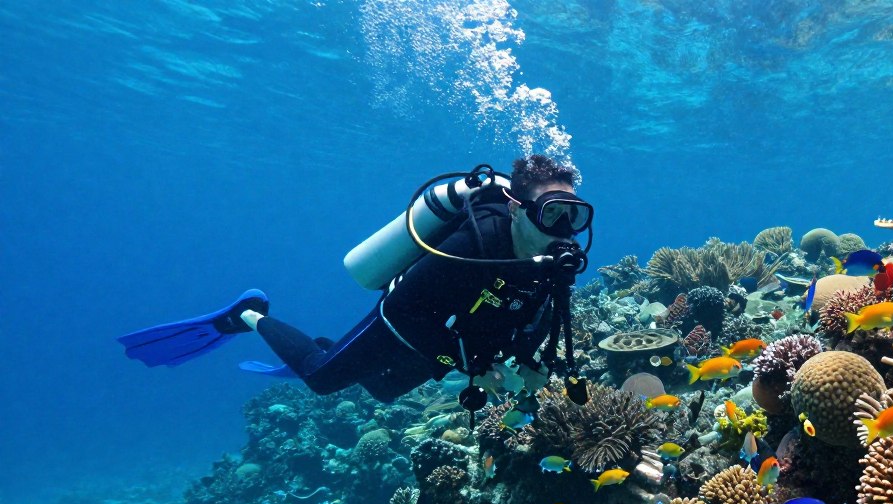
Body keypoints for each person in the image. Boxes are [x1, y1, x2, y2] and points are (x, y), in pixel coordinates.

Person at [118, 155, 593, 409]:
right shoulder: (472, 245)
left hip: (452, 333)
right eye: (553, 213)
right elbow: (407, 309)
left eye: (573, 215)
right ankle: (248, 315)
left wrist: (530, 360)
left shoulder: (553, 255)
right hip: (404, 319)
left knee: (383, 391)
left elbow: (542, 311)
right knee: (323, 380)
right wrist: (465, 363)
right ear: (517, 208)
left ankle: (331, 345)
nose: (564, 230)